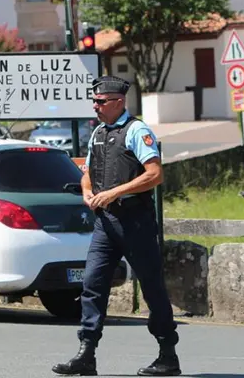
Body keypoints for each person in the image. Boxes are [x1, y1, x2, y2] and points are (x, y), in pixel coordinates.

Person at [52, 76, 181, 377]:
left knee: (152, 288)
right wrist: (87, 192)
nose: (95, 106)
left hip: (135, 222)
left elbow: (155, 174)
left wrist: (115, 192)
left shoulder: (137, 131)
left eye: (100, 101)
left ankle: (168, 354)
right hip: (105, 223)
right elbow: (87, 172)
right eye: (94, 101)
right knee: (92, 285)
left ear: (118, 102)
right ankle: (86, 353)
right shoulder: (98, 132)